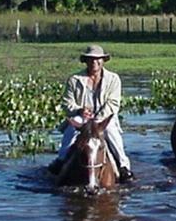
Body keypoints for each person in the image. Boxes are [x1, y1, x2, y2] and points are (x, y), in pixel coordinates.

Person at [49, 44, 133, 182]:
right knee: (71, 131)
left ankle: (123, 165)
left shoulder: (113, 79)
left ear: (103, 60)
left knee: (112, 133)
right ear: (86, 61)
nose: (94, 62)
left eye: (98, 59)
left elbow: (113, 103)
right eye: (91, 59)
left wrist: (98, 120)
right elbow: (67, 103)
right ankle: (61, 159)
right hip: (82, 118)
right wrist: (79, 110)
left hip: (104, 118)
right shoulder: (74, 80)